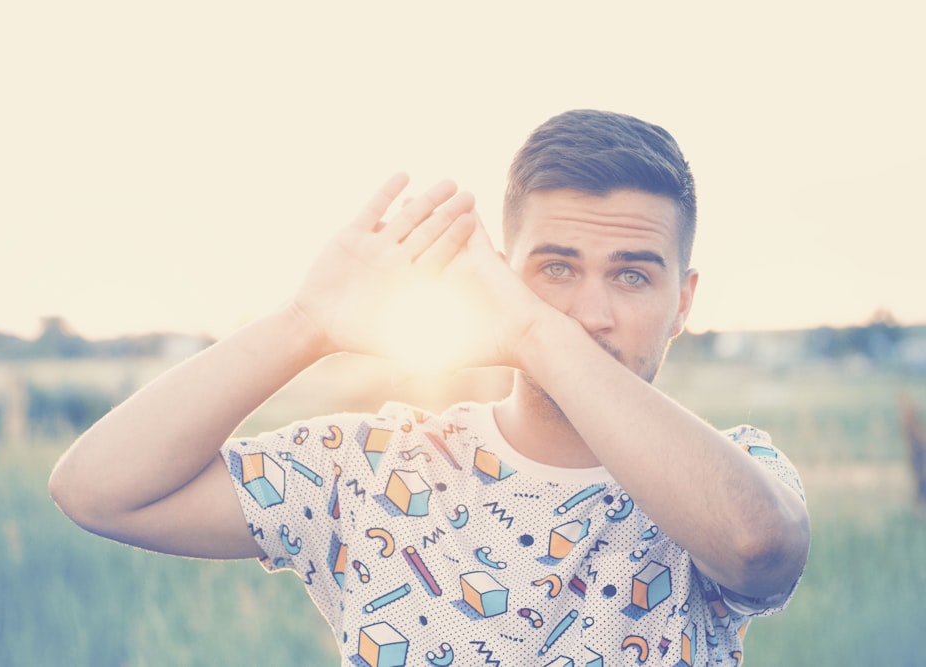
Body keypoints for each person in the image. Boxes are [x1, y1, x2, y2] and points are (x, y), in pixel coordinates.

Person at [49, 110, 810, 666]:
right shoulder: (373, 465)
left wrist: (537, 333)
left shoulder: (731, 472)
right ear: (505, 274)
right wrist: (306, 321)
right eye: (555, 269)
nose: (591, 313)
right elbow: (97, 488)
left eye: (634, 275)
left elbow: (757, 546)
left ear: (684, 301)